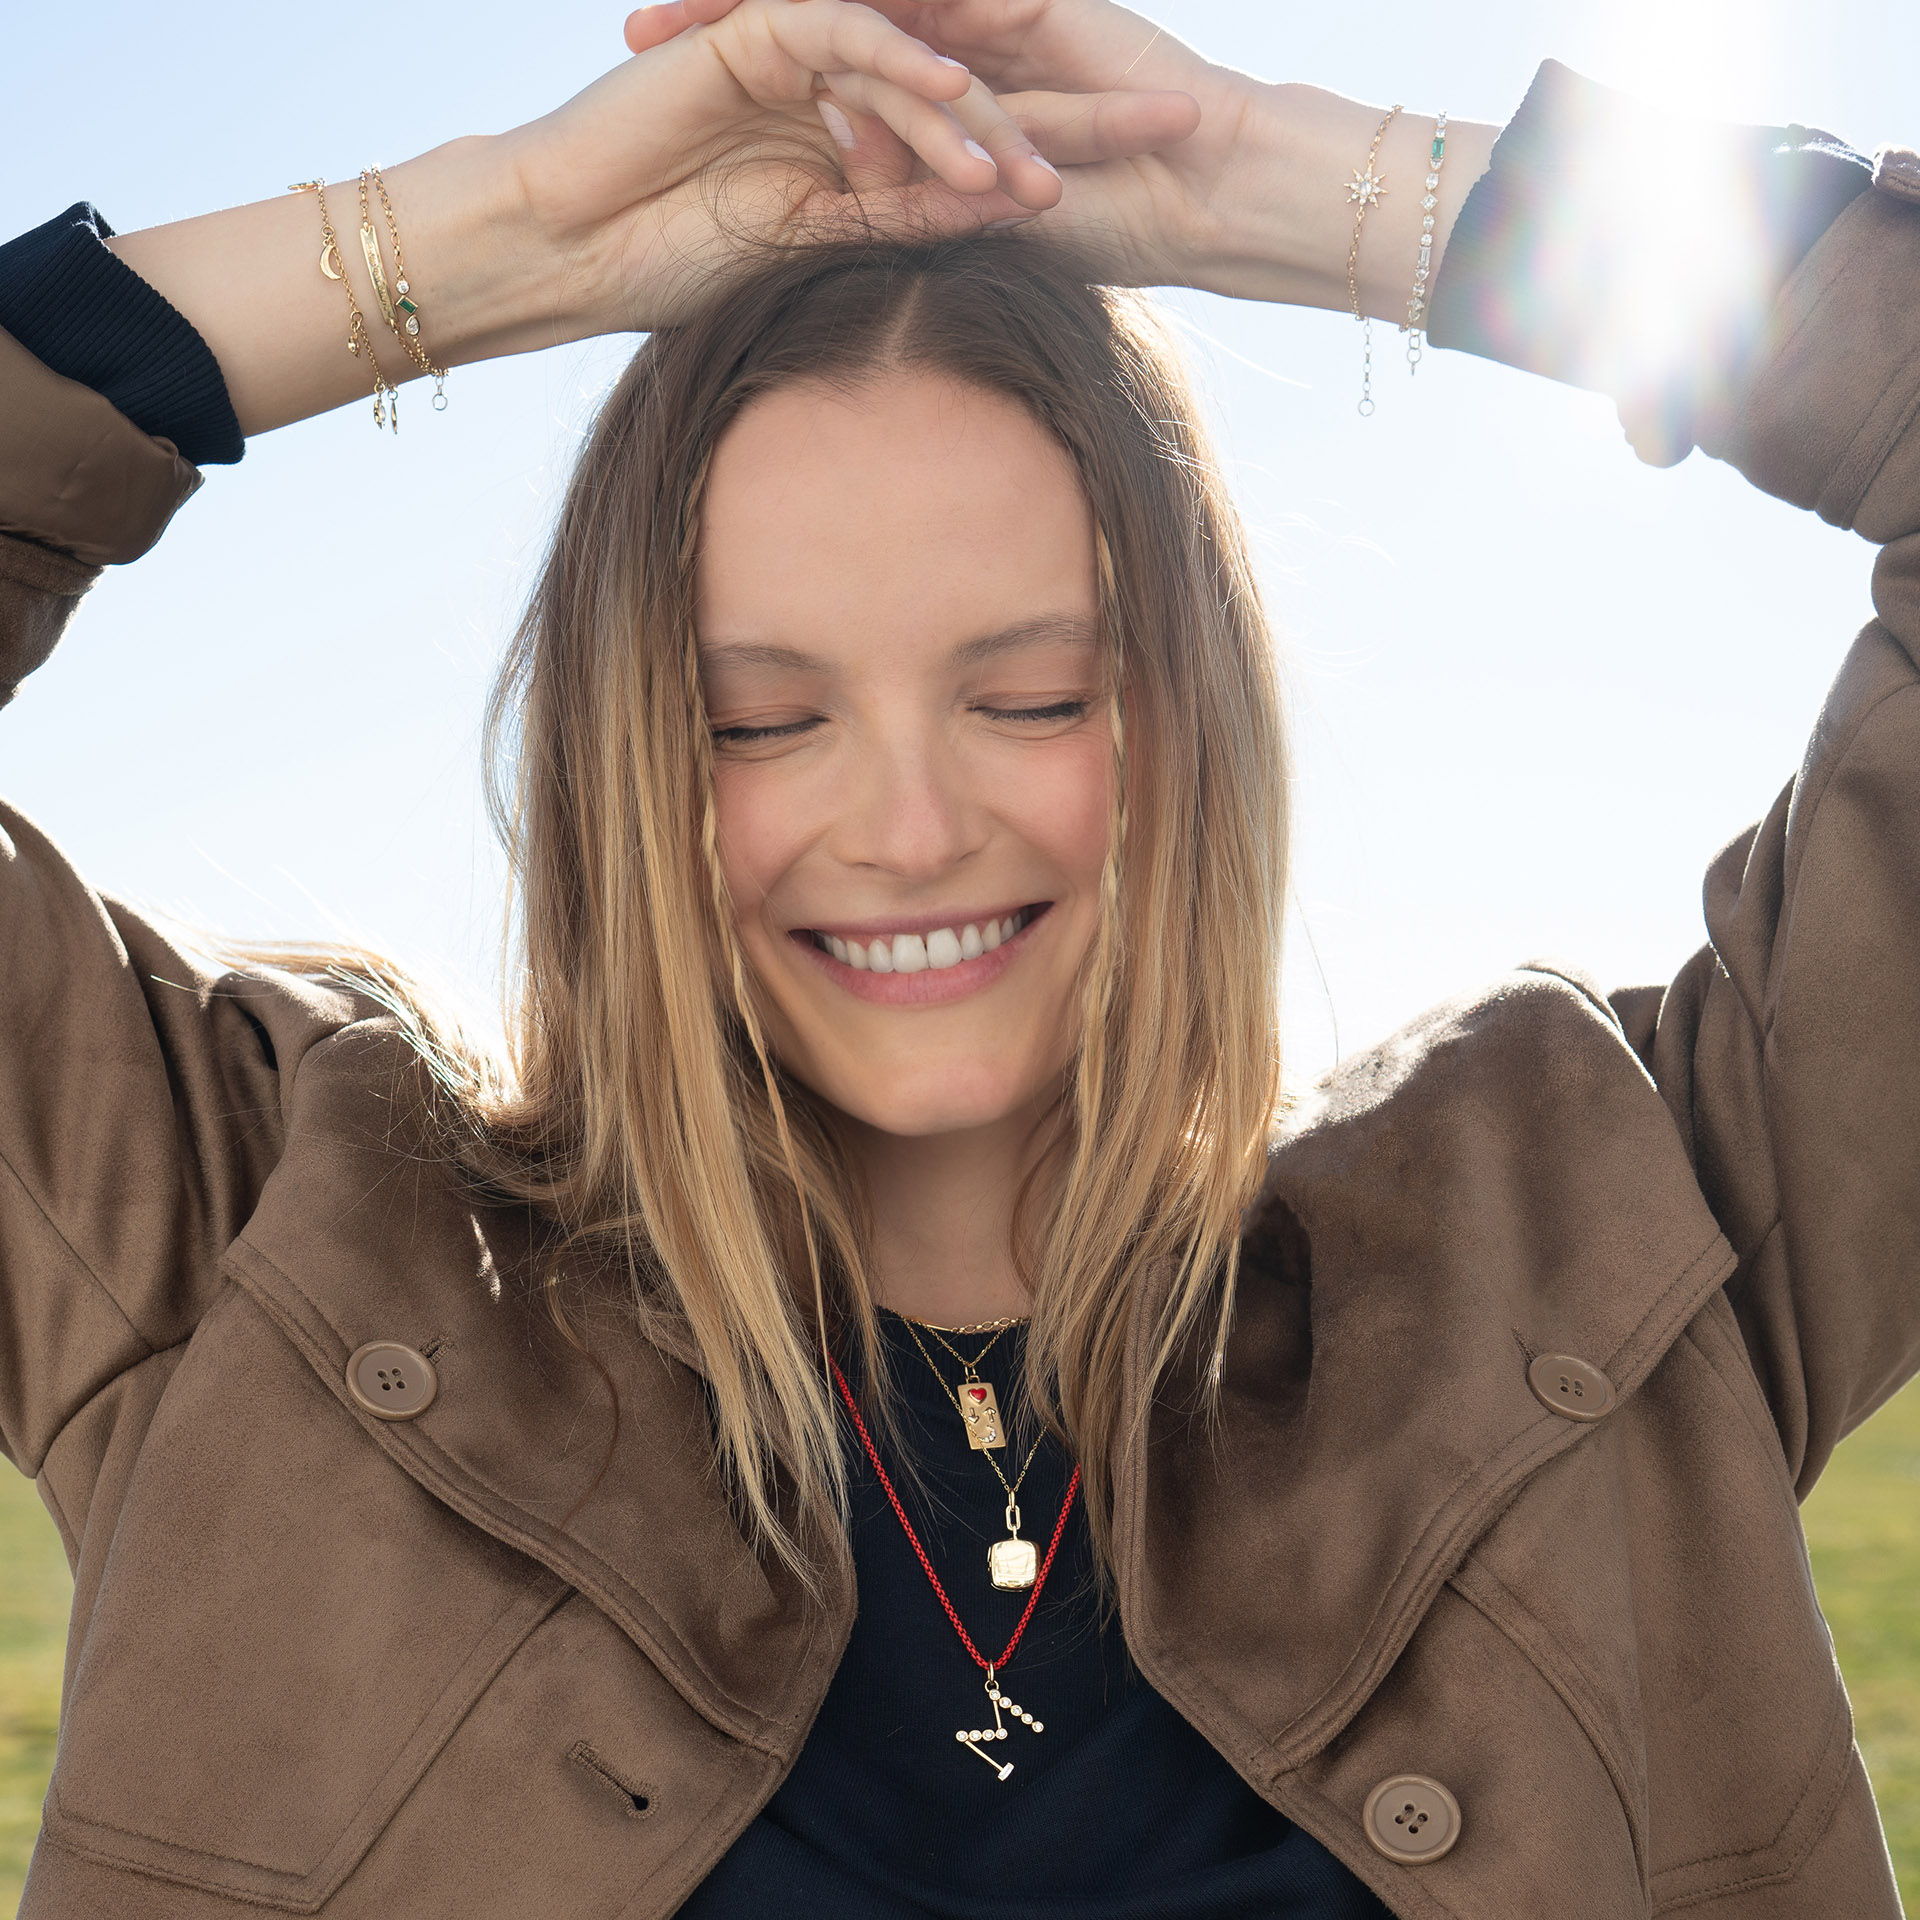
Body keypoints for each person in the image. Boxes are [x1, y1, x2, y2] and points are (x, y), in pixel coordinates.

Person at [0, 0, 1912, 1913]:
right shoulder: (263, 1241)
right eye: (758, 722)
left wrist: (1328, 196)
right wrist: (480, 241)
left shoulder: (1613, 1227)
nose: (909, 829)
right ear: (615, 767)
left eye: (1032, 696)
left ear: (1189, 717)